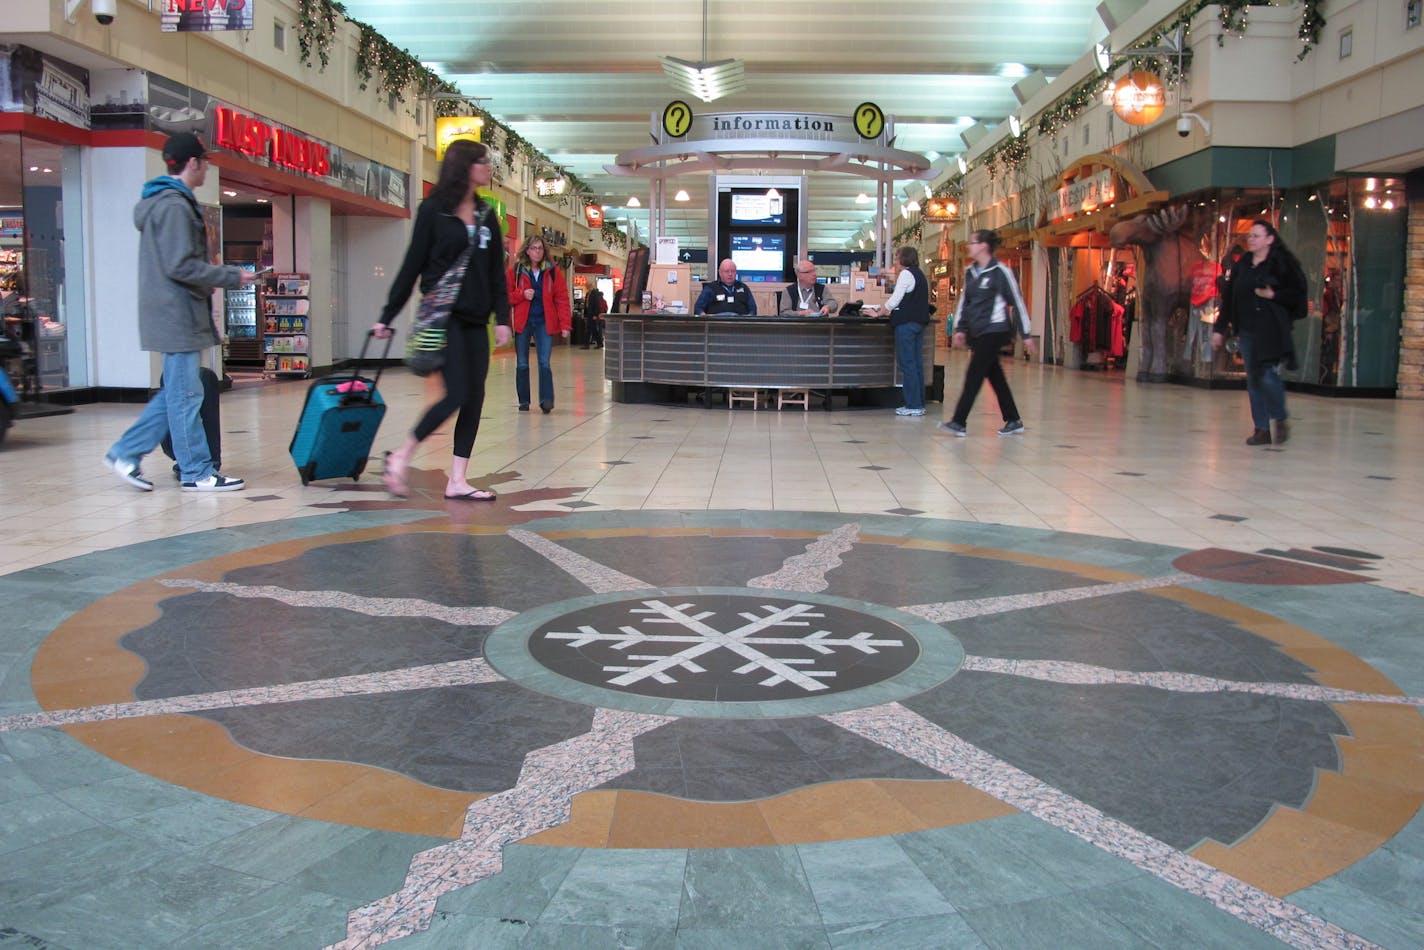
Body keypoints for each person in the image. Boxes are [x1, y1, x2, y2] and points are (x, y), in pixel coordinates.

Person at [104, 132, 253, 493]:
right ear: (192, 163)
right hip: (178, 315)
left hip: (173, 313)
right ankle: (197, 471)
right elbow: (181, 266)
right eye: (205, 162)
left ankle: (125, 452)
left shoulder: (165, 202)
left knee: (176, 392)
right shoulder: (173, 206)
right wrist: (232, 276)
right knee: (187, 396)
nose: (206, 169)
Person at [372, 139, 511, 500]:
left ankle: (457, 480)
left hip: (476, 321)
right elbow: (412, 265)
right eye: (483, 161)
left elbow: (497, 273)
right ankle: (402, 455)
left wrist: (502, 319)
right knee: (457, 393)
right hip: (444, 319)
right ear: (465, 166)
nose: (489, 167)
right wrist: (388, 314)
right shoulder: (434, 210)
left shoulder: (486, 216)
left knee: (475, 396)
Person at [1212, 218, 1306, 446]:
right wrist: (1220, 329)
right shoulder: (1242, 265)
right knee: (1254, 379)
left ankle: (1280, 416)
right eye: (1249, 236)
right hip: (1246, 330)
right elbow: (1229, 299)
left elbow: (1298, 295)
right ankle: (1262, 429)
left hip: (1271, 331)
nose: (1251, 240)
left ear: (1269, 239)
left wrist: (1274, 296)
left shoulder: (1282, 265)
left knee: (1267, 375)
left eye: (1256, 236)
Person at [939, 229, 1034, 437]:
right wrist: (960, 328)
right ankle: (1013, 419)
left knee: (974, 373)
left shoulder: (1001, 272)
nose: (969, 246)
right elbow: (965, 302)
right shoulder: (970, 272)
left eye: (972, 242)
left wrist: (1027, 334)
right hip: (977, 331)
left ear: (983, 246)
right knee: (995, 375)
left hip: (995, 329)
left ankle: (959, 421)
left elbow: (1017, 301)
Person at [507, 235, 572, 412]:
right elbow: (505, 295)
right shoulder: (516, 271)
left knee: (544, 362)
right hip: (524, 321)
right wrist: (521, 294)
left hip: (544, 322)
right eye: (534, 248)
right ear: (527, 250)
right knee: (522, 363)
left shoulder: (552, 272)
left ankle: (546, 400)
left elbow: (562, 298)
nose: (537, 252)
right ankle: (524, 401)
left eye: (540, 248)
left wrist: (565, 324)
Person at [872, 246, 930, 416]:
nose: (896, 263)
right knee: (917, 364)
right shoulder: (920, 274)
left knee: (907, 363)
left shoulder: (906, 274)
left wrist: (879, 312)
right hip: (919, 323)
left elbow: (895, 299)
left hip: (906, 324)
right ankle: (919, 403)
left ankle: (912, 405)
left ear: (904, 259)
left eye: (897, 259)